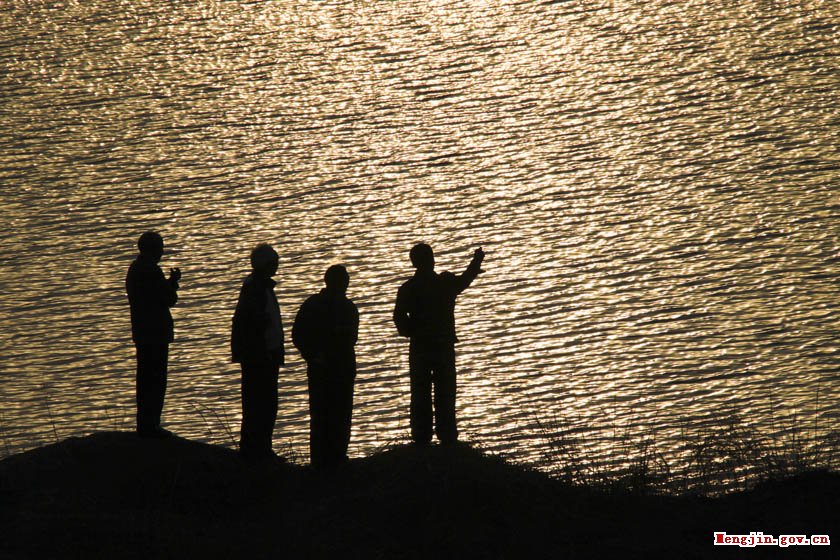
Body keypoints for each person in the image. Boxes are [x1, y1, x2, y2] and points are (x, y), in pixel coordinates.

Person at [393, 244, 485, 445]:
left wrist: (411, 332)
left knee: (420, 391)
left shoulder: (409, 288)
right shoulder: (444, 283)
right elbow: (464, 281)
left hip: (420, 347)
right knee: (445, 390)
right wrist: (476, 262)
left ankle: (421, 436)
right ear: (432, 259)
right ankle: (447, 434)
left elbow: (399, 317)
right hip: (442, 346)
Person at [292, 265, 359, 469]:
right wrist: (315, 355)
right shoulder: (347, 307)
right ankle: (335, 457)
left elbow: (298, 336)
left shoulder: (312, 304)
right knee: (338, 412)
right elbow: (351, 339)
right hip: (336, 367)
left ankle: (323, 459)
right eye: (345, 280)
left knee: (322, 413)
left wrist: (312, 356)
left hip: (324, 367)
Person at [231, 243, 285, 460]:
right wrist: (265, 350)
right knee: (262, 402)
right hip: (260, 356)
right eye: (274, 262)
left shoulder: (257, 285)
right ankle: (258, 449)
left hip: (261, 354)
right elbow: (254, 323)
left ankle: (257, 447)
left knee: (259, 402)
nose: (277, 265)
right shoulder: (256, 288)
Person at [125, 231, 181, 438]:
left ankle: (145, 423)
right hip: (155, 333)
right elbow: (168, 299)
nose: (162, 252)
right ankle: (152, 425)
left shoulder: (135, 269)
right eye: (160, 248)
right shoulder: (150, 271)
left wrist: (168, 282)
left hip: (142, 332)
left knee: (145, 378)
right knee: (156, 378)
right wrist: (173, 283)